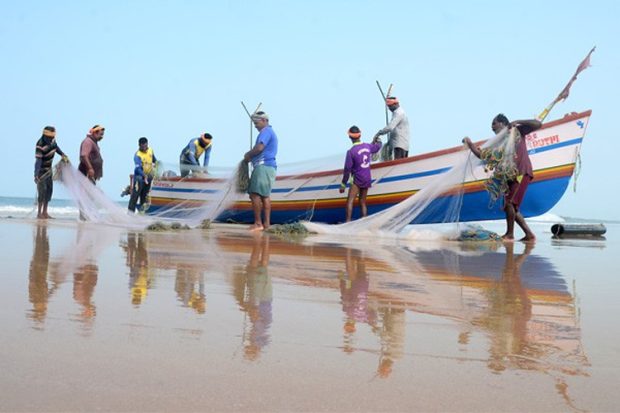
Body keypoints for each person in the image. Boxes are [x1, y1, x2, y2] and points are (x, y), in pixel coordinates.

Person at [463, 114, 541, 241]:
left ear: (503, 123)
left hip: (520, 172)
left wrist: (518, 121)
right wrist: (470, 144)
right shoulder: (498, 142)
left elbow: (538, 124)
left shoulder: (517, 131)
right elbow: (483, 155)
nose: (492, 126)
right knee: (510, 206)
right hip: (509, 176)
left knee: (510, 204)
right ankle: (529, 235)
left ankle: (510, 234)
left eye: (494, 123)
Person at [243, 111, 278, 231]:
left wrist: (248, 155)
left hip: (263, 166)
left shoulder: (266, 131)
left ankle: (258, 223)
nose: (255, 125)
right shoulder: (269, 131)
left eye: (256, 122)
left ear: (264, 121)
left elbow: (259, 147)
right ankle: (266, 224)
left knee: (255, 194)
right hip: (269, 167)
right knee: (265, 195)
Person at [339, 126, 382, 222]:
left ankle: (347, 223)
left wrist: (343, 184)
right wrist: (378, 140)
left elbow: (347, 169)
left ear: (350, 137)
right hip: (367, 178)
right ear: (360, 135)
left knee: (350, 201)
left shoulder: (351, 152)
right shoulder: (368, 146)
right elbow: (378, 147)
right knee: (362, 202)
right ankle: (364, 223)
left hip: (357, 179)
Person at [34, 126, 68, 219]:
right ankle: (39, 213)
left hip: (49, 171)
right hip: (42, 172)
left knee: (49, 191)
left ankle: (45, 212)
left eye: (53, 137)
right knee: (42, 192)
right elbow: (38, 161)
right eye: (50, 137)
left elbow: (56, 148)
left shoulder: (53, 141)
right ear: (45, 136)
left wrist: (63, 154)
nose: (51, 139)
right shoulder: (40, 144)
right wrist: (36, 174)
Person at [128, 137, 158, 213]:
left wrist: (157, 165)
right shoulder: (137, 155)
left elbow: (154, 160)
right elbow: (138, 168)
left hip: (148, 177)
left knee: (144, 196)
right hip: (139, 177)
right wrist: (144, 175)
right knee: (135, 195)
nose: (144, 148)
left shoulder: (150, 150)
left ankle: (141, 213)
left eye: (145, 146)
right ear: (139, 145)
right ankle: (130, 213)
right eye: (142, 146)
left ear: (147, 144)